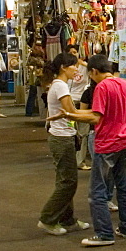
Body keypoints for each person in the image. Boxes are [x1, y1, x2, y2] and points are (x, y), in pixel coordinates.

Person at [59, 54, 126, 247]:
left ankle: (105, 234)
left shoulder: (102, 87)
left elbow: (96, 117)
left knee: (97, 191)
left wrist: (70, 117)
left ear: (94, 71)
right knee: (123, 188)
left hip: (107, 144)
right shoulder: (123, 84)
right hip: (125, 142)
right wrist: (125, 124)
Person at [37, 52, 92, 235]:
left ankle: (67, 220)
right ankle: (48, 218)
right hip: (61, 138)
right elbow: (71, 112)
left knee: (66, 180)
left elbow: (72, 112)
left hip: (63, 136)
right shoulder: (60, 86)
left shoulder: (59, 85)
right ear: (63, 67)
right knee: (68, 182)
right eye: (73, 65)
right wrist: (97, 113)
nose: (76, 69)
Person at [77, 78, 96, 171]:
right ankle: (80, 161)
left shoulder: (88, 92)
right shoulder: (89, 92)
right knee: (83, 137)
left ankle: (80, 161)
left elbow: (82, 111)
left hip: (94, 127)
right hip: (92, 125)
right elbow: (82, 111)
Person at [25, 43, 46, 117]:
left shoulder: (41, 55)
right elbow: (35, 64)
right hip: (35, 78)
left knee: (33, 94)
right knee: (33, 94)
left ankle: (30, 111)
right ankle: (29, 111)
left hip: (39, 77)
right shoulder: (33, 56)